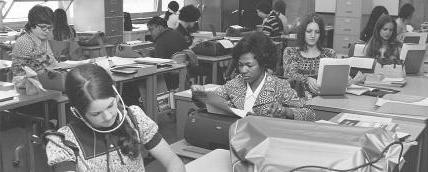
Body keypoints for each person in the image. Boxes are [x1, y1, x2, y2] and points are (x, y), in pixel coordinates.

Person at [45, 63, 185, 172]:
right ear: (77, 112)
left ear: (117, 96)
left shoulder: (134, 118)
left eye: (110, 105)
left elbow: (174, 162)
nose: (107, 116)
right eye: (96, 113)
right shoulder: (64, 142)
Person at [192, 32, 316, 121]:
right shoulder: (235, 84)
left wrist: (286, 111)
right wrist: (200, 96)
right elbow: (213, 104)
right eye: (240, 65)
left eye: (249, 65)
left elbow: (310, 114)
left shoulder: (279, 86)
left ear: (263, 63)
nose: (243, 70)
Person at [282, 13, 337, 97]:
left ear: (321, 34)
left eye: (317, 32)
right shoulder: (291, 52)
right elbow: (289, 75)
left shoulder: (329, 54)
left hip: (324, 100)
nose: (313, 35)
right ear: (302, 32)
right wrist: (306, 79)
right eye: (309, 31)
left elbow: (334, 79)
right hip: (297, 102)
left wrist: (345, 80)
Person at [11, 5, 56, 76]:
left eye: (49, 27)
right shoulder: (25, 41)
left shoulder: (42, 38)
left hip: (42, 79)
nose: (47, 31)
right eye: (43, 27)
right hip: (25, 83)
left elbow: (52, 61)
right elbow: (26, 72)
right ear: (32, 25)